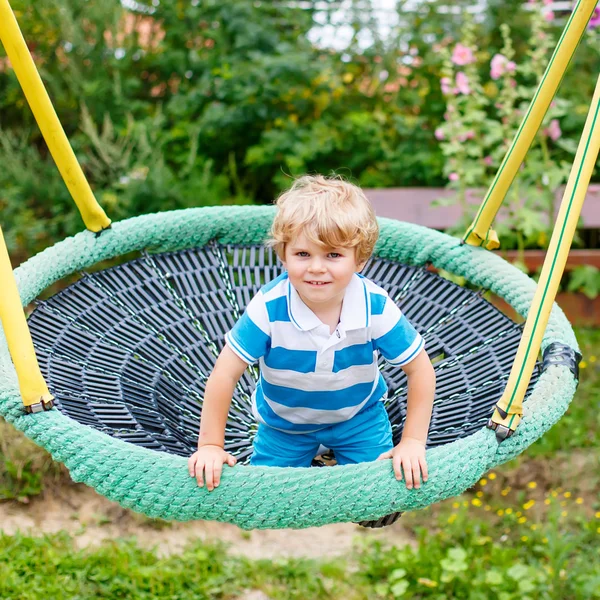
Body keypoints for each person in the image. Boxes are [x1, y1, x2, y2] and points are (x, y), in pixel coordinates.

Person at [188, 175, 436, 492]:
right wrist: (210, 445)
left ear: (359, 259)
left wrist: (413, 441)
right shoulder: (269, 307)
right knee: (266, 497)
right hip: (284, 425)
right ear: (284, 255)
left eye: (333, 255)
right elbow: (224, 375)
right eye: (303, 254)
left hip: (358, 418)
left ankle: (336, 461)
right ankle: (309, 461)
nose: (316, 267)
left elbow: (420, 369)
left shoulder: (374, 306)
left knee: (382, 493)